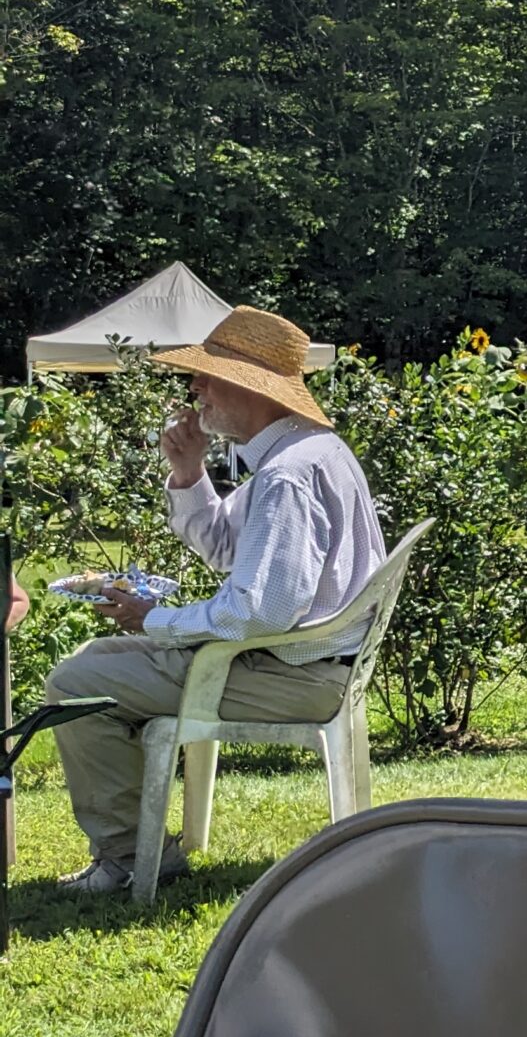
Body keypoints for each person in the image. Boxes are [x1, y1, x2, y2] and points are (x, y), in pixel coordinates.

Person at [45, 306, 385, 895]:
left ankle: (128, 856)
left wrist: (158, 619)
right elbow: (230, 549)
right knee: (99, 658)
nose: (194, 388)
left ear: (252, 386)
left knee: (77, 684)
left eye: (206, 375)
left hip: (294, 676)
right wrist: (188, 472)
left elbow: (261, 612)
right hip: (309, 667)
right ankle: (131, 847)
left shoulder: (288, 475)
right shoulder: (308, 452)